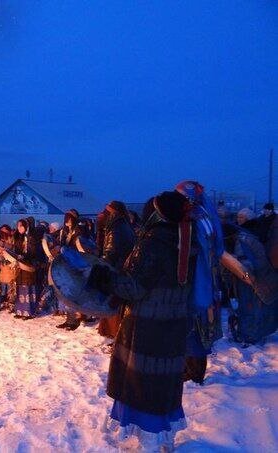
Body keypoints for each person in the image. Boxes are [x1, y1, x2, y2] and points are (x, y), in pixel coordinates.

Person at [87, 191, 195, 451]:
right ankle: (164, 437)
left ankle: (149, 439)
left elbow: (134, 287)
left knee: (142, 382)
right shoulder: (186, 239)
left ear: (156, 214)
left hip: (148, 325)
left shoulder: (154, 242)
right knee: (164, 381)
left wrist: (105, 279)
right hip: (174, 322)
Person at [175, 181, 254, 385]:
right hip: (205, 279)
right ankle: (190, 368)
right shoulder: (203, 215)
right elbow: (216, 248)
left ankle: (194, 373)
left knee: (195, 325)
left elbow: (193, 249)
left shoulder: (194, 217)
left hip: (196, 280)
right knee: (195, 324)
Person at [222, 223, 278, 346]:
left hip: (257, 281)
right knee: (255, 309)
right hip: (261, 279)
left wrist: (243, 274)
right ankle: (251, 334)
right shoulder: (244, 237)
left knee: (251, 310)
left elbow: (247, 267)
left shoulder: (241, 241)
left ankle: (249, 336)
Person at [97, 201, 136, 339]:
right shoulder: (124, 225)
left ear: (113, 212)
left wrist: (101, 268)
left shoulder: (116, 228)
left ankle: (116, 336)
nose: (102, 213)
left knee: (114, 307)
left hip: (116, 271)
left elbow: (110, 253)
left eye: (106, 211)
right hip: (123, 272)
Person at [13, 218, 37, 319]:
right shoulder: (19, 237)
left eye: (21, 226)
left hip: (28, 264)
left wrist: (25, 257)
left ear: (26, 226)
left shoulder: (31, 237)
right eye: (18, 226)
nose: (19, 228)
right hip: (20, 265)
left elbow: (33, 251)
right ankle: (20, 311)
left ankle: (29, 312)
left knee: (28, 287)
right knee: (20, 286)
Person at [0, 225, 16, 312]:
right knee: (1, 286)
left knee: (10, 286)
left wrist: (6, 250)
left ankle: (11, 303)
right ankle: (0, 302)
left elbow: (13, 252)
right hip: (1, 266)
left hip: (9, 266)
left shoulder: (12, 240)